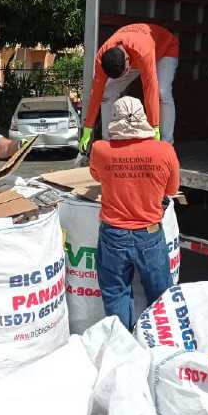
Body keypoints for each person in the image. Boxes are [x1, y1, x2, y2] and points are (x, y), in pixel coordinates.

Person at [89, 96, 180, 331]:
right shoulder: (164, 151)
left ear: (115, 120)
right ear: (143, 118)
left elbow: (97, 177)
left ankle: (123, 347)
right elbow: (171, 190)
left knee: (116, 293)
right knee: (161, 296)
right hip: (149, 233)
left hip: (113, 234)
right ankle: (160, 344)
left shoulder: (101, 149)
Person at [80, 23, 179, 151]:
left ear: (126, 60)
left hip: (165, 49)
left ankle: (166, 144)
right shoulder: (101, 56)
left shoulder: (143, 52)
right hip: (134, 56)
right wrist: (87, 129)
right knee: (107, 93)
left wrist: (155, 128)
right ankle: (109, 141)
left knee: (162, 92)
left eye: (124, 72)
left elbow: (150, 89)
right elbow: (96, 94)